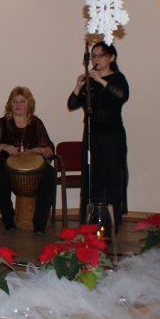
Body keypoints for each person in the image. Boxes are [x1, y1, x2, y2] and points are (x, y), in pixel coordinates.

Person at [68, 41, 130, 229]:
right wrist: (78, 86)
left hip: (112, 136)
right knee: (92, 178)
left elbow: (121, 95)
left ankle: (112, 222)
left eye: (100, 55)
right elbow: (72, 104)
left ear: (111, 57)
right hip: (92, 135)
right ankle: (90, 222)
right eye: (93, 56)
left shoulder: (118, 78)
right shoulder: (89, 81)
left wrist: (102, 81)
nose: (96, 59)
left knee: (111, 177)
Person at [0, 86, 56, 233]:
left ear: (29, 104)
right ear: (10, 104)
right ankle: (8, 219)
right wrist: (4, 146)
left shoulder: (36, 123)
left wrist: (39, 150)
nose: (18, 104)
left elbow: (50, 151)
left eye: (22, 101)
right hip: (7, 167)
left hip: (34, 171)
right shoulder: (3, 123)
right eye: (15, 101)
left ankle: (39, 224)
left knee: (49, 173)